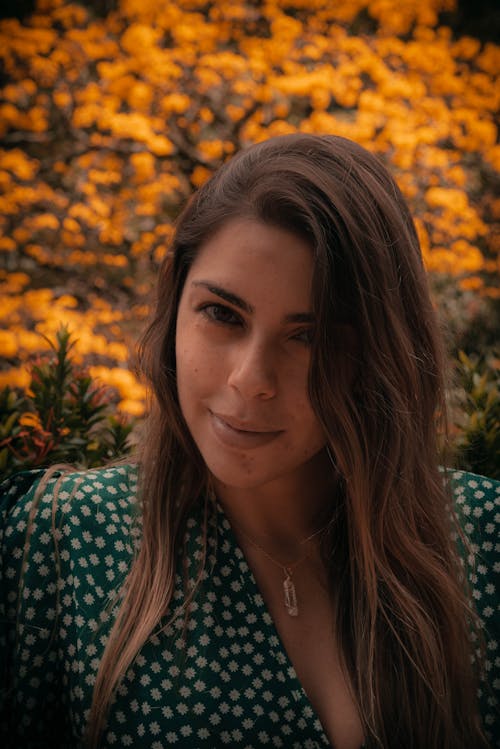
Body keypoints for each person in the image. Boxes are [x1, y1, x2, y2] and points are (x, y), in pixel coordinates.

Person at [1, 134, 498, 749]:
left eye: (309, 338)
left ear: (376, 354)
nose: (250, 380)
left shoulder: (481, 539)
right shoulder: (62, 540)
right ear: (176, 303)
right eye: (222, 315)